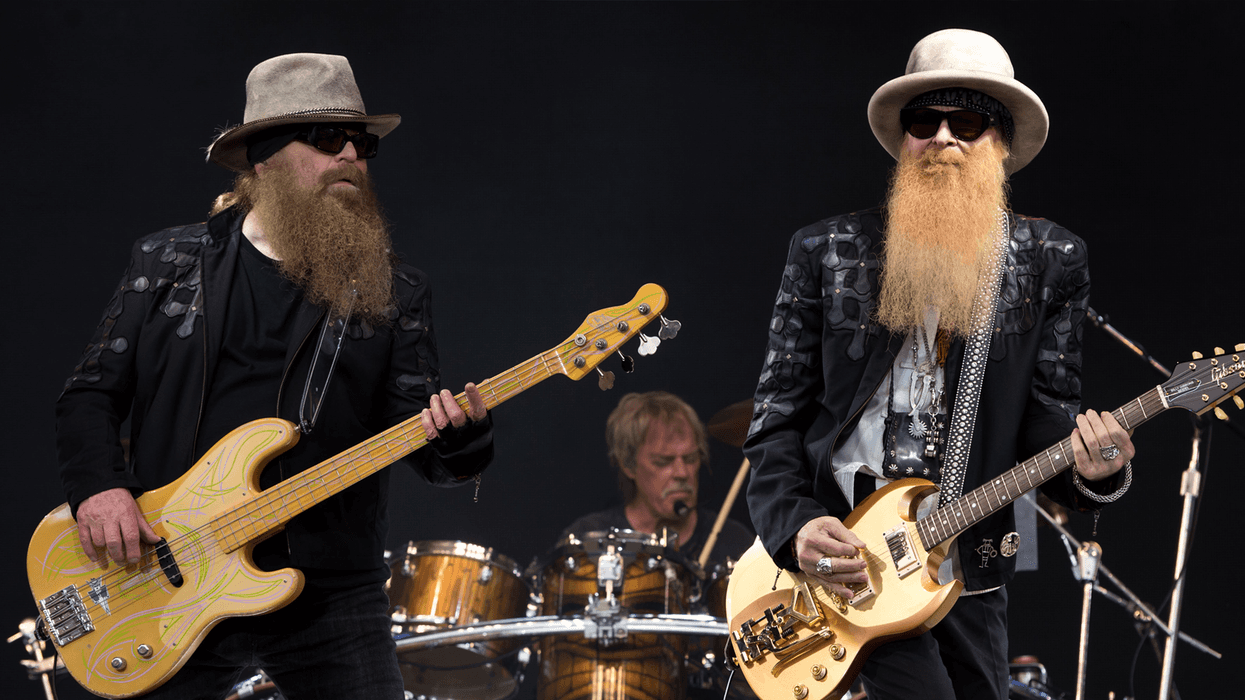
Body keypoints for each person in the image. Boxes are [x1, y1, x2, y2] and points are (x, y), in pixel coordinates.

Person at [55, 53, 493, 699]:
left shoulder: (393, 289)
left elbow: (422, 444)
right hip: (172, 573)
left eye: (361, 142)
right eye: (326, 139)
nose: (350, 155)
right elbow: (89, 395)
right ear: (263, 159)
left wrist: (461, 436)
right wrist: (99, 490)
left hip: (331, 593)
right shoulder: (168, 262)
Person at [743, 29, 1135, 700]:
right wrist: (795, 524)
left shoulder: (1049, 261)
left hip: (968, 565)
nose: (944, 138)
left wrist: (1094, 470)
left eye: (969, 122)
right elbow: (776, 419)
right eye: (925, 121)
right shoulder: (826, 250)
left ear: (1000, 146)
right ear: (903, 140)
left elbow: (1048, 419)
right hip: (842, 559)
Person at [561, 391, 752, 566]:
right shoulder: (586, 542)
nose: (682, 472)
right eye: (663, 461)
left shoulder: (736, 543)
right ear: (628, 465)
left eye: (691, 459)